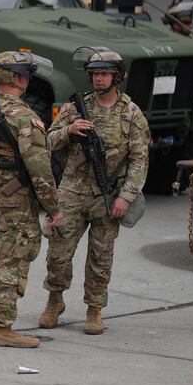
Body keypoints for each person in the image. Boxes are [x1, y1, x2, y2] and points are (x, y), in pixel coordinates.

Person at [39, 49, 150, 335]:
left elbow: (140, 158)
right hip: (73, 189)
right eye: (95, 74)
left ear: (117, 77)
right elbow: (47, 141)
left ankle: (94, 310)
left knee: (101, 257)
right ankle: (55, 300)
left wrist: (127, 196)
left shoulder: (130, 112)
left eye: (104, 74)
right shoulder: (75, 107)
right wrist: (69, 130)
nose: (99, 79)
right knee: (58, 251)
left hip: (108, 193)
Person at [0, 51, 62, 348]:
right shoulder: (24, 116)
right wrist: (53, 207)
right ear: (19, 78)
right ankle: (1, 327)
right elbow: (39, 168)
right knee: (11, 263)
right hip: (14, 203)